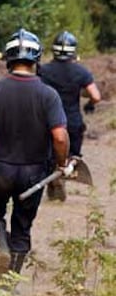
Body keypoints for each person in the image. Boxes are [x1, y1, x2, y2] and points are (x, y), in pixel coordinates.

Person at [0, 28, 70, 287]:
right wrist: (61, 165)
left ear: (8, 58)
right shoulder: (48, 95)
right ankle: (6, 285)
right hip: (34, 173)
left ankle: (1, 245)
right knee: (23, 227)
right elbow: (60, 137)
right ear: (37, 58)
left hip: (0, 169)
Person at [40, 30, 101, 201]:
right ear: (74, 51)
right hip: (72, 122)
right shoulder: (81, 72)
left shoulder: (43, 71)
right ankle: (66, 169)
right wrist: (89, 104)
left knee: (49, 154)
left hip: (48, 121)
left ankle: (54, 175)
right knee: (73, 154)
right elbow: (96, 96)